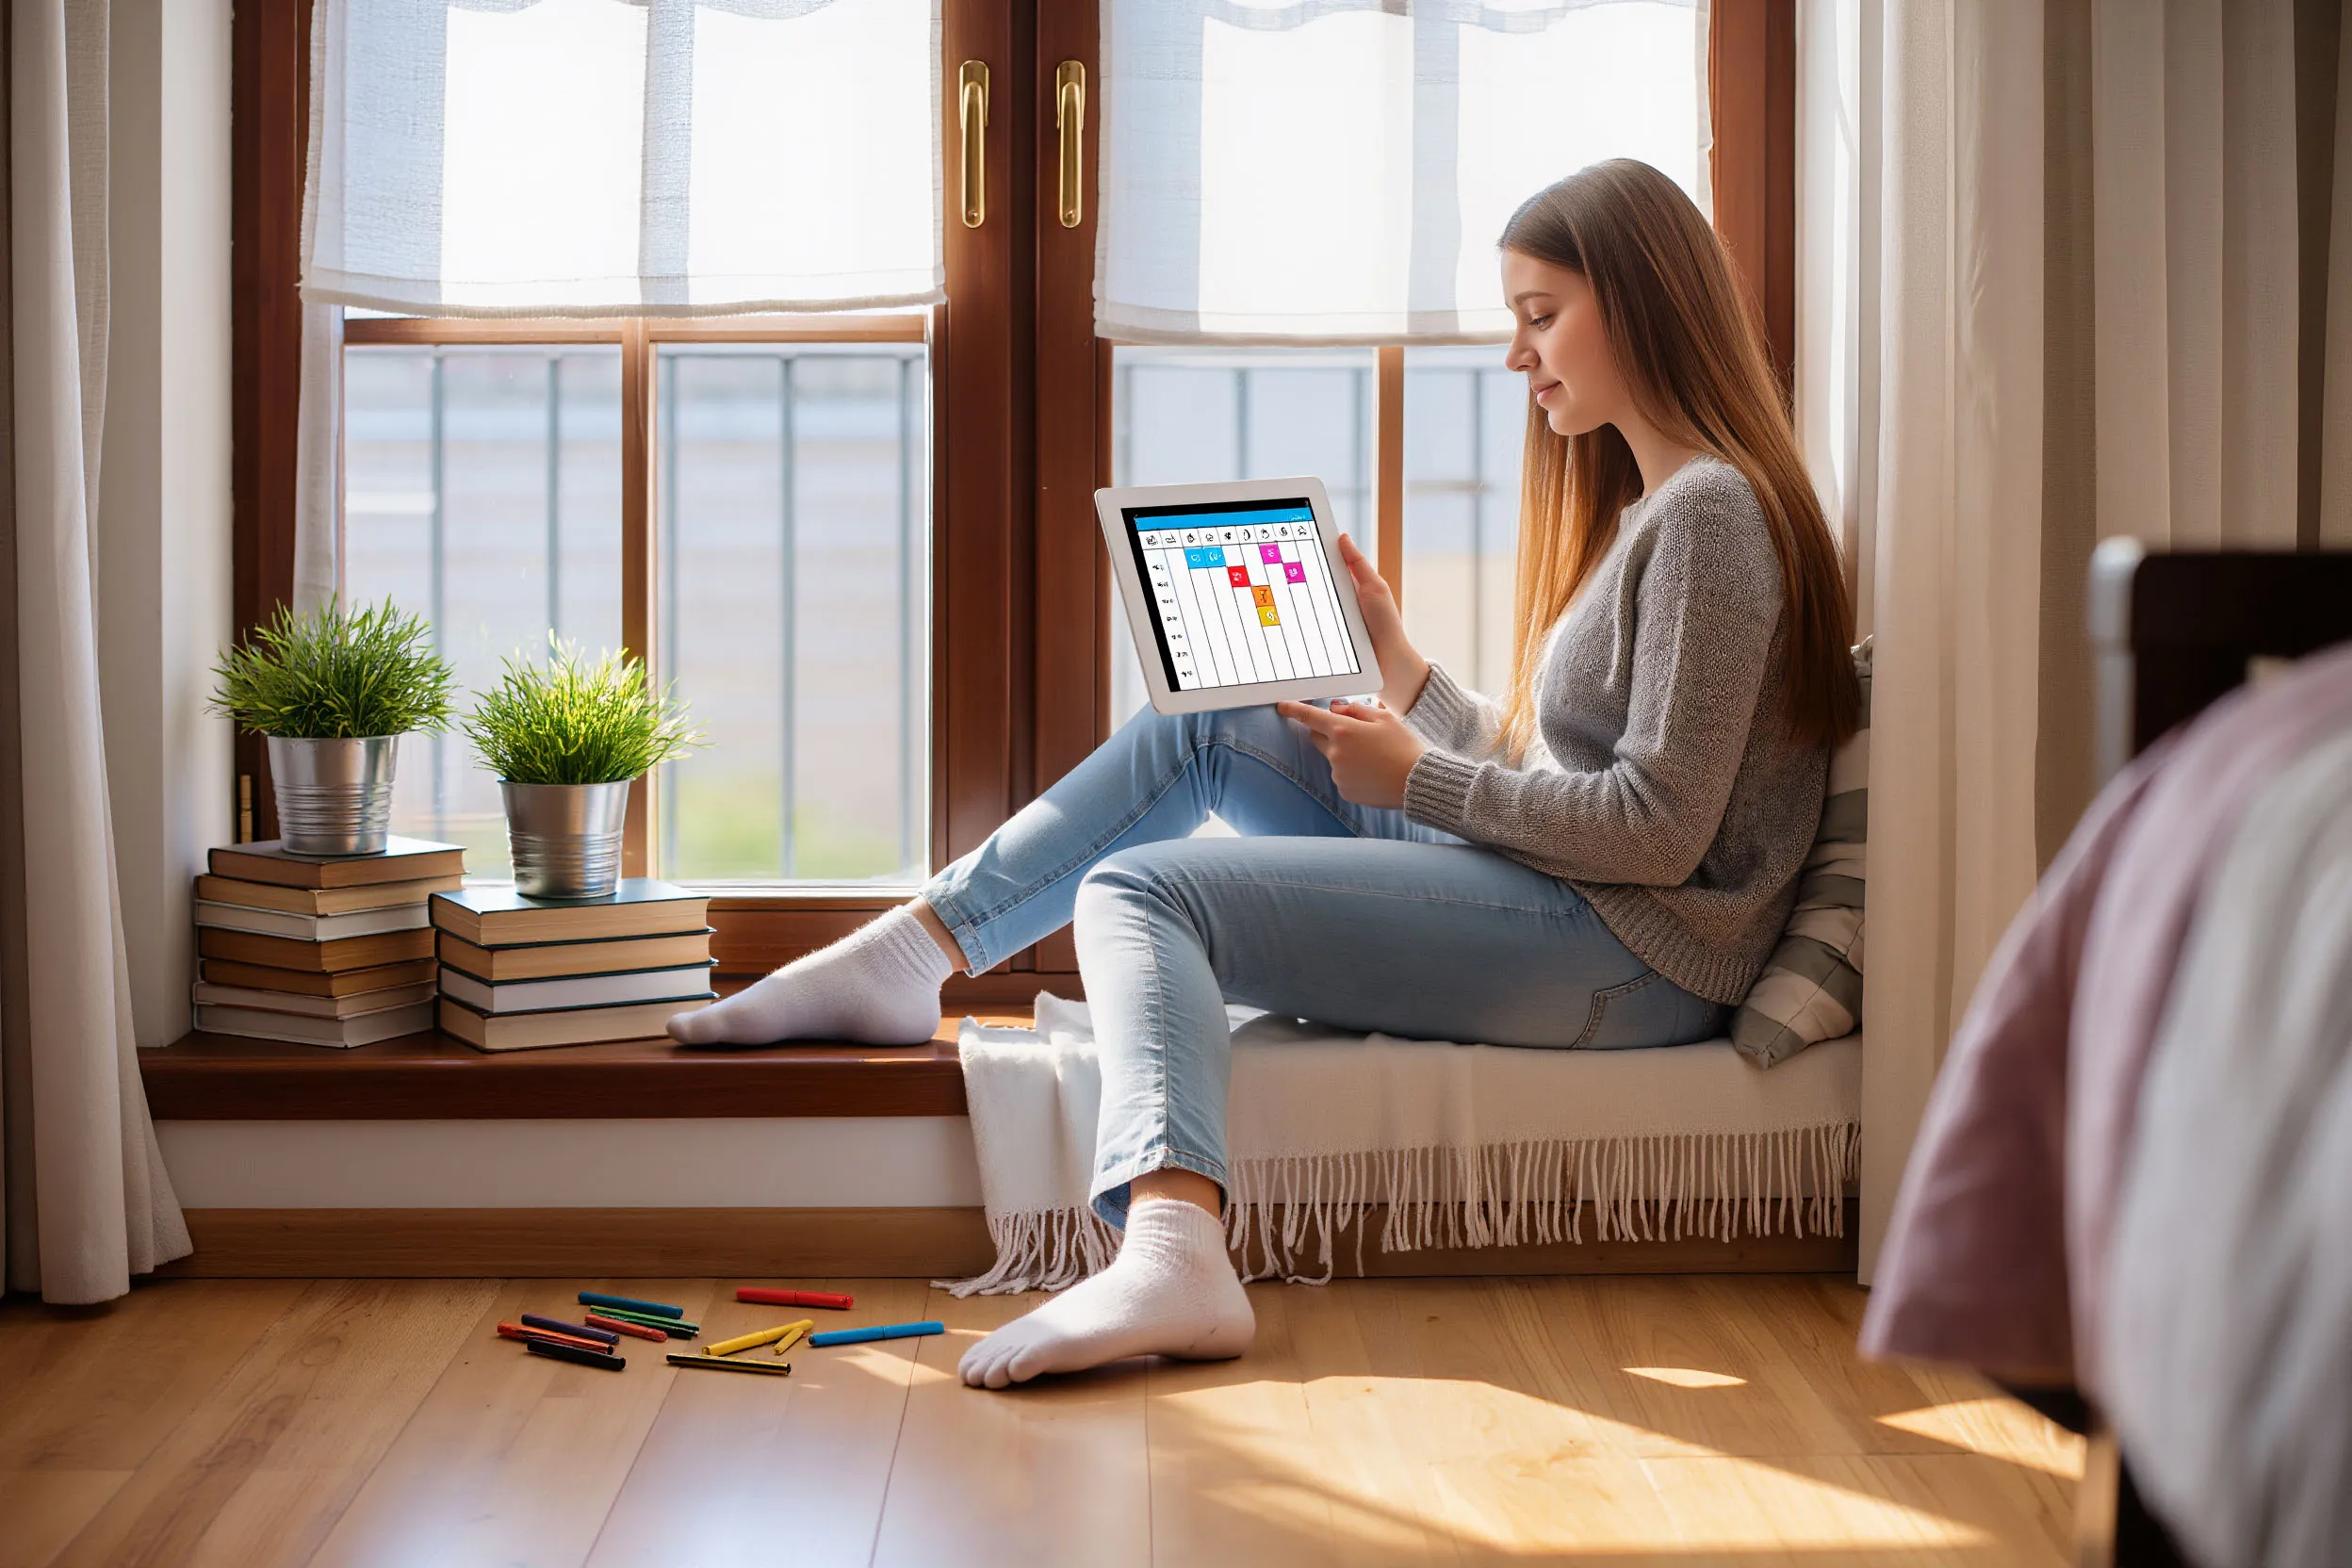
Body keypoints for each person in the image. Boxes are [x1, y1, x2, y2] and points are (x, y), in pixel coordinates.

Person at [667, 158, 1860, 1390]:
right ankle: (912, 953)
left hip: (1637, 956)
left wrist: (1417, 782)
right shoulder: (1666, 508)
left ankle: (1175, 1249)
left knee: (1144, 894)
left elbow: (1658, 833)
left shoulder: (1712, 513)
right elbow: (1568, 778)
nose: (1518, 357)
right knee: (1218, 717)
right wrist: (1405, 680)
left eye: (1540, 314)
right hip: (1590, 911)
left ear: (1647, 297)